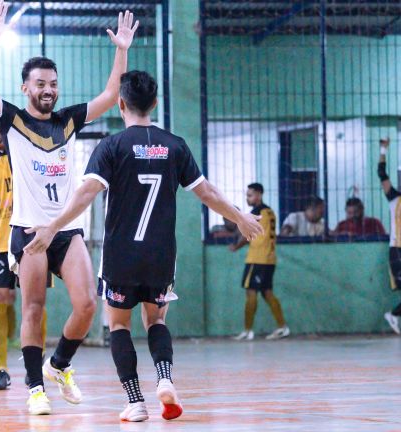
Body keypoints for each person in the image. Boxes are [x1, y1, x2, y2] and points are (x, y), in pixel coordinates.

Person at [23, 71, 264, 422]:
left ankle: (135, 401)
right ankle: (165, 379)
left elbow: (86, 193)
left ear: (120, 104)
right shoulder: (174, 145)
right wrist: (239, 216)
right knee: (156, 320)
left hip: (122, 254)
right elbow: (206, 192)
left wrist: (53, 226)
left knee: (119, 326)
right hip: (160, 255)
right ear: (154, 104)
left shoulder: (112, 146)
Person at [0, 0, 139, 415]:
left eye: (53, 83)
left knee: (86, 305)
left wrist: (122, 49)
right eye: (40, 83)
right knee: (32, 308)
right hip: (29, 232)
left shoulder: (67, 120)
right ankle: (34, 388)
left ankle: (59, 365)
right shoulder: (11, 121)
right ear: (25, 87)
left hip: (66, 231)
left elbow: (111, 94)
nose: (48, 89)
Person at [0, 102, 50, 390]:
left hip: (31, 236)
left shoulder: (27, 149)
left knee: (33, 300)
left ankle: (34, 365)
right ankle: (1, 369)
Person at [229, 183, 290, 341]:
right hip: (270, 259)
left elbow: (247, 234)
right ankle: (282, 327)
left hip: (257, 258)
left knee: (250, 292)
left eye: (250, 195)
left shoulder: (256, 213)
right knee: (267, 292)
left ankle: (248, 331)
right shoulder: (270, 212)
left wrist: (236, 246)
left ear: (259, 195)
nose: (247, 198)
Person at [377, 137, 401, 335]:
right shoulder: (395, 198)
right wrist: (382, 150)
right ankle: (393, 315)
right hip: (397, 249)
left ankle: (394, 315)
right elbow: (381, 174)